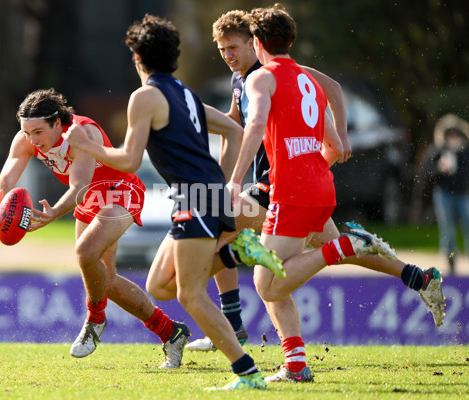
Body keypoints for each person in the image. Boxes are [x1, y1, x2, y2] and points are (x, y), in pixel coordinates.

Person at [185, 10, 446, 381]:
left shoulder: (272, 74)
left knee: (224, 235)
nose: (228, 54)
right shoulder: (251, 80)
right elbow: (243, 122)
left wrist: (244, 177)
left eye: (233, 47)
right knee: (316, 253)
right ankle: (417, 277)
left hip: (278, 188)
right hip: (305, 186)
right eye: (222, 49)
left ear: (254, 42)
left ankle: (231, 327)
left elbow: (305, 105)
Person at [66, 14, 276, 390]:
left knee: (189, 293)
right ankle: (237, 252)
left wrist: (87, 146)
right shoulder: (184, 92)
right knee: (161, 286)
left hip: (196, 198)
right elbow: (234, 128)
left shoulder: (144, 96)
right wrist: (226, 181)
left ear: (136, 58)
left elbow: (130, 161)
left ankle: (247, 374)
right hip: (206, 194)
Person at [0, 88, 190, 369]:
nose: (32, 140)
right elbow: (5, 178)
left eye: (37, 132)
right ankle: (171, 332)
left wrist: (54, 213)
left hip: (120, 191)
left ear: (57, 123)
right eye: (26, 133)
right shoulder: (26, 139)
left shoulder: (83, 133)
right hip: (90, 199)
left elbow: (79, 186)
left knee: (85, 252)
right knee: (105, 281)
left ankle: (95, 319)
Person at [421, 114, 469, 275]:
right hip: (444, 194)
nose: (452, 137)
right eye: (449, 133)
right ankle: (451, 259)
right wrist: (439, 169)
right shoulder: (437, 150)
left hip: (463, 194)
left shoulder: (465, 151)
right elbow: (425, 173)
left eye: (455, 133)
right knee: (447, 228)